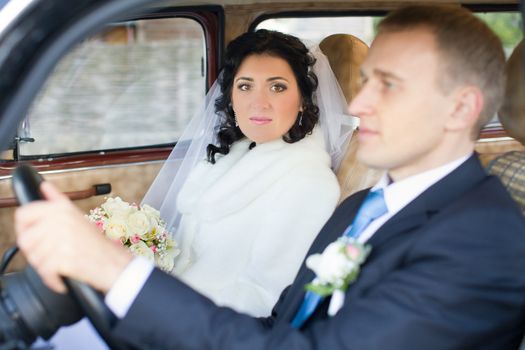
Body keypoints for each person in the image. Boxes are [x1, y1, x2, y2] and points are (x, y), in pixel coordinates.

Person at [15, 4, 525, 349]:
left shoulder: (485, 242)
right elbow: (280, 320)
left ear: (461, 108)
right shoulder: (360, 208)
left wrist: (119, 274)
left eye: (387, 85)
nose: (359, 104)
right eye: (364, 81)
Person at [138, 29, 353, 317]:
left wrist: (162, 315)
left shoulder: (309, 184)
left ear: (303, 100)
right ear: (230, 97)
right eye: (245, 86)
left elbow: (264, 296)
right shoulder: (236, 151)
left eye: (277, 87)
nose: (258, 102)